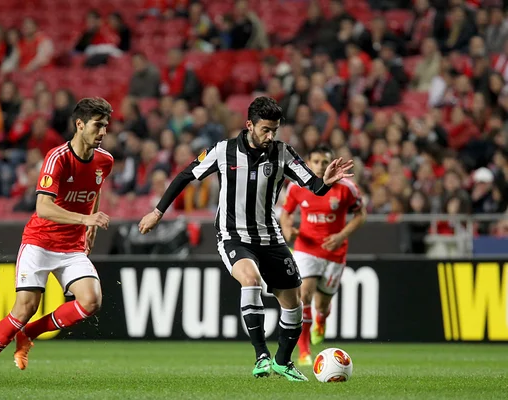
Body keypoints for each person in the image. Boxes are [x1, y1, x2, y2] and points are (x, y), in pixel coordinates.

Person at [138, 97, 353, 381]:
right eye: (265, 129)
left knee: (293, 302)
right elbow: (185, 175)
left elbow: (313, 186)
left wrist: (325, 181)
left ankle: (282, 361)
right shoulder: (223, 150)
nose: (270, 135)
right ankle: (261, 356)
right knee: (250, 280)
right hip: (233, 235)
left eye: (274, 130)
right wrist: (157, 212)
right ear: (249, 124)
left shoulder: (283, 153)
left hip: (270, 237)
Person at [0, 98, 114, 381]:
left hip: (71, 246)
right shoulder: (57, 158)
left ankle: (29, 334)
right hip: (40, 242)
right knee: (25, 308)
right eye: (97, 125)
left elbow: (94, 191)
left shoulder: (104, 161)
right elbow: (43, 208)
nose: (103, 132)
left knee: (91, 301)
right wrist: (86, 220)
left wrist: (90, 225)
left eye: (105, 126)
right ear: (79, 124)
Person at [279, 144, 366, 366]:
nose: (319, 166)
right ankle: (304, 352)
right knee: (304, 295)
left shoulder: (346, 188)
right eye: (316, 162)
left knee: (323, 304)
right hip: (306, 248)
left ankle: (321, 320)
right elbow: (285, 214)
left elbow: (360, 214)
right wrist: (288, 229)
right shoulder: (297, 187)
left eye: (324, 162)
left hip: (335, 251)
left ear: (332, 164)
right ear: (308, 164)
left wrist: (341, 236)